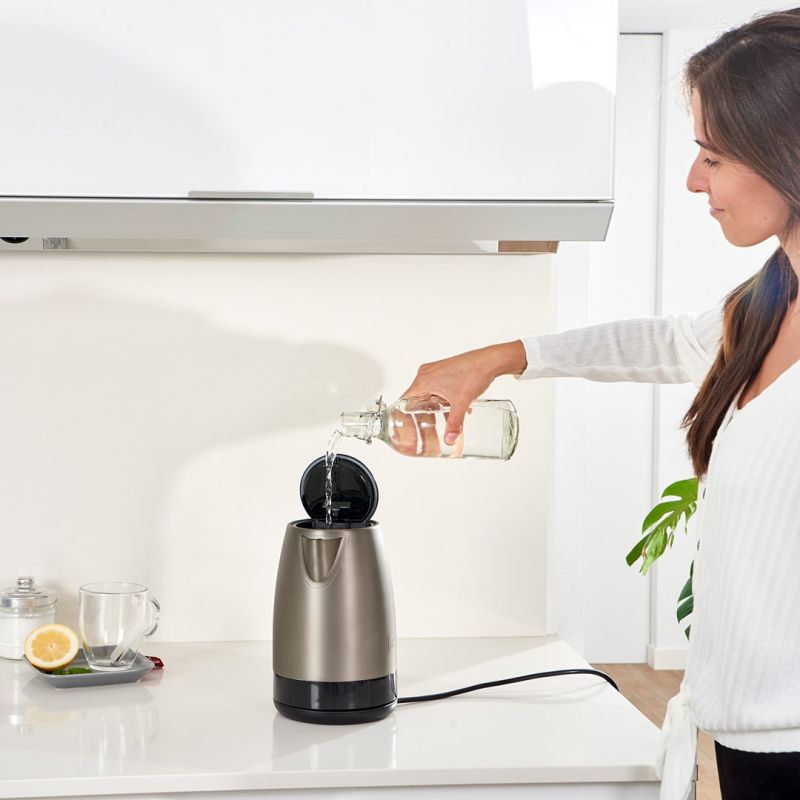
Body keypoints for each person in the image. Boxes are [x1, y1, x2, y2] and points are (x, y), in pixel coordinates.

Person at [401, 9, 800, 800]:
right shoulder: (769, 300)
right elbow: (667, 342)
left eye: (714, 156)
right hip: (746, 734)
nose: (694, 181)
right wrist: (505, 357)